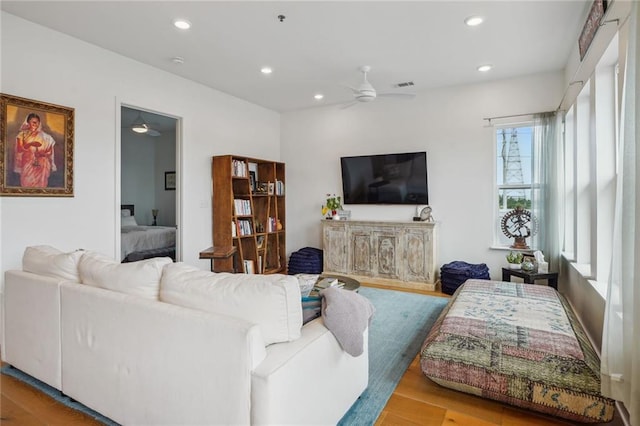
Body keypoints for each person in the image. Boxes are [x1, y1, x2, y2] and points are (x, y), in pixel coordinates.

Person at [14, 112, 57, 187]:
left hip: (41, 165)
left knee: (41, 186)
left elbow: (49, 151)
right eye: (33, 122)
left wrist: (42, 154)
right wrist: (31, 144)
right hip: (27, 163)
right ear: (28, 122)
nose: (36, 124)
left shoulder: (45, 137)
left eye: (37, 122)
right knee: (27, 184)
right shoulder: (22, 135)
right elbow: (19, 149)